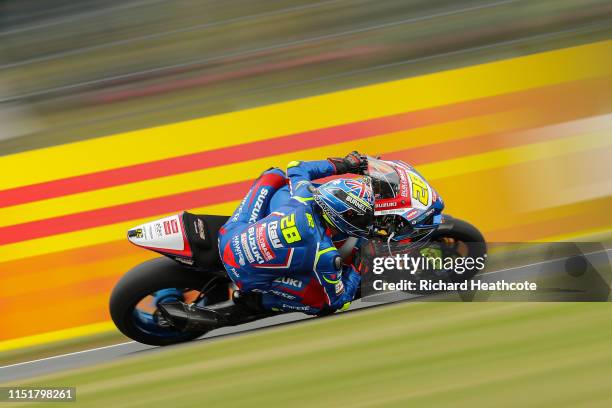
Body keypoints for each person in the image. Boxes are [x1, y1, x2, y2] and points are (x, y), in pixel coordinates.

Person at [159, 152, 374, 329]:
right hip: (244, 272)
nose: (365, 220)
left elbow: (297, 167)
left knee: (274, 176)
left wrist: (344, 164)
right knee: (323, 306)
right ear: (337, 216)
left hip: (232, 232)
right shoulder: (325, 255)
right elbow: (338, 300)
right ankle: (253, 303)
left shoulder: (305, 195)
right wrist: (357, 266)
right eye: (359, 217)